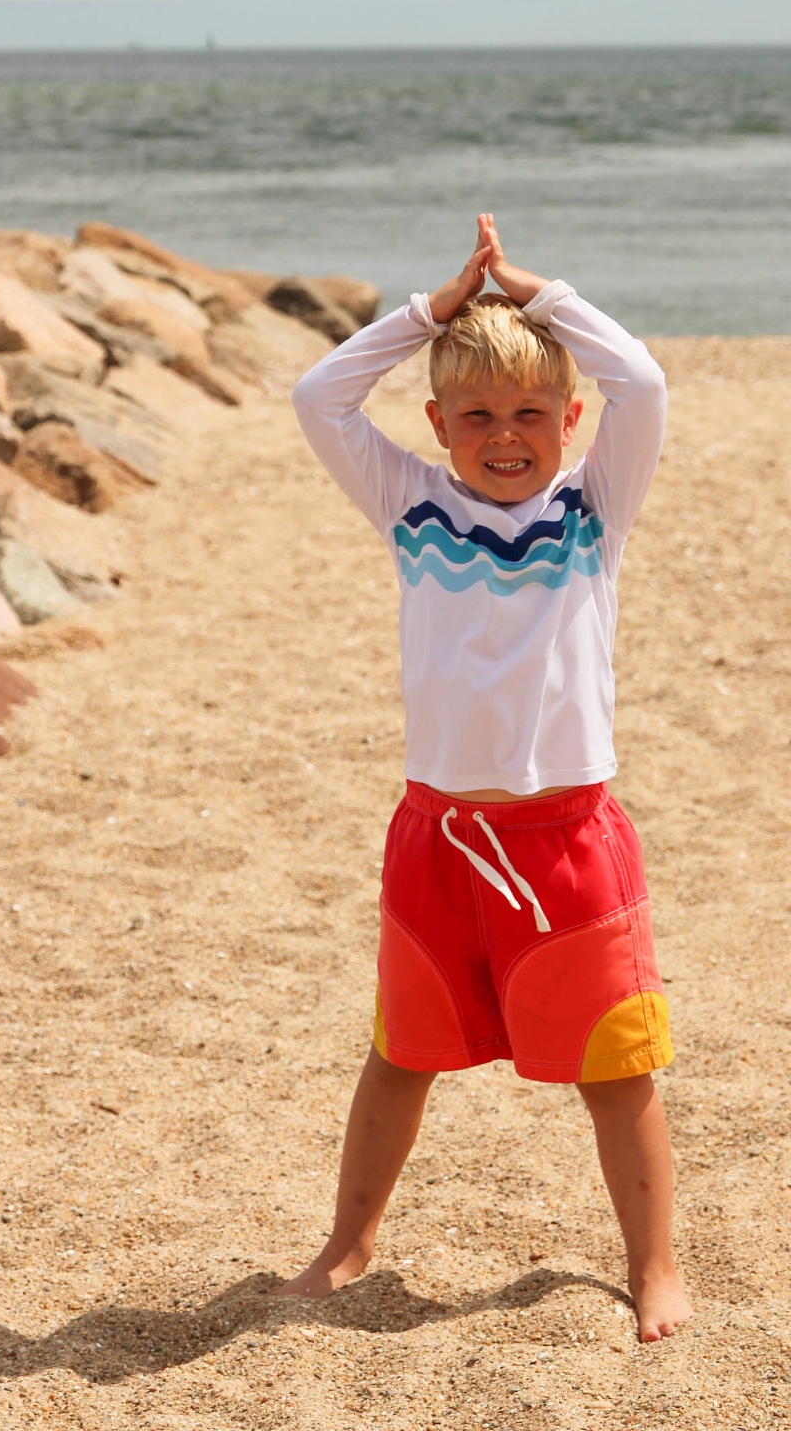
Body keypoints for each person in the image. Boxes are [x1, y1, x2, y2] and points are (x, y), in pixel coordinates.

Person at [280, 214, 690, 1343]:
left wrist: (537, 295)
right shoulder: (411, 504)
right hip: (438, 836)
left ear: (570, 422)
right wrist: (433, 312)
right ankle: (347, 1243)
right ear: (436, 425)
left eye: (528, 416)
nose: (503, 438)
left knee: (616, 1066)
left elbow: (641, 380)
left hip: (568, 836)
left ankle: (654, 1264)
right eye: (475, 417)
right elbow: (318, 397)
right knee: (400, 1055)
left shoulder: (594, 510)